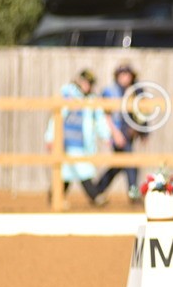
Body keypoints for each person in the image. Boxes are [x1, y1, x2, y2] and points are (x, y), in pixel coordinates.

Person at [44, 68, 120, 206]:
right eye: (85, 82)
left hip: (82, 143)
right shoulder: (67, 95)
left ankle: (54, 196)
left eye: (89, 83)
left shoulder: (92, 100)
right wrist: (51, 137)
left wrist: (106, 136)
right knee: (80, 170)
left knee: (69, 171)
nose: (86, 85)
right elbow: (56, 119)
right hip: (66, 142)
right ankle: (94, 196)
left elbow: (99, 120)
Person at [95, 63, 147, 203]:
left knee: (119, 165)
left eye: (127, 74)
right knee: (130, 164)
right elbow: (105, 115)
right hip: (117, 134)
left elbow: (142, 113)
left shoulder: (136, 91)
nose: (125, 77)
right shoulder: (110, 91)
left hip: (129, 135)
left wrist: (143, 133)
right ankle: (133, 194)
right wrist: (115, 133)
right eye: (122, 74)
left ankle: (97, 189)